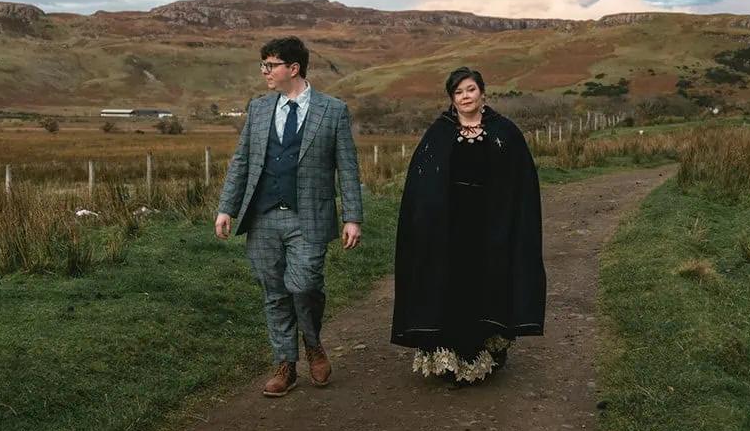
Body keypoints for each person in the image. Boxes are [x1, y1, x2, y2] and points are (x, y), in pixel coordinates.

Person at [216, 36, 364, 397]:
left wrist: (352, 216)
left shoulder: (333, 111)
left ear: (293, 69)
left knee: (304, 286)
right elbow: (242, 161)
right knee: (274, 292)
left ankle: (312, 344)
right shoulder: (259, 109)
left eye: (271, 65)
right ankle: (286, 364)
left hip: (309, 217)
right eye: (264, 65)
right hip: (264, 217)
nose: (265, 72)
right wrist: (226, 208)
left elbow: (347, 167)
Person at [391, 66, 546, 384]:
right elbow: (422, 185)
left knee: (486, 286)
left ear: (482, 93)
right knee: (450, 287)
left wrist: (512, 222)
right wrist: (424, 223)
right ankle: (451, 360)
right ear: (452, 98)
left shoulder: (505, 132)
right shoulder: (439, 133)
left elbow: (520, 183)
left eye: (470, 89)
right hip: (448, 228)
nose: (465, 96)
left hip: (492, 227)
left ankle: (486, 352)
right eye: (459, 92)